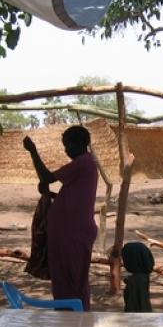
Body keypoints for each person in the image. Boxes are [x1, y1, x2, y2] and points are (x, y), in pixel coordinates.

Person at [23, 126, 98, 310]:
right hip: (68, 233)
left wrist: (33, 152)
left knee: (71, 282)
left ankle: (73, 321)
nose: (66, 150)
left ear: (80, 144)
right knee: (66, 281)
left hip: (72, 234)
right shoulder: (84, 165)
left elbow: (47, 177)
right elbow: (75, 197)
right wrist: (54, 196)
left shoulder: (82, 163)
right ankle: (70, 319)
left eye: (68, 145)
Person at [121, 242, 154, 313]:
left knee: (134, 305)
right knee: (143, 302)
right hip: (143, 278)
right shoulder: (143, 278)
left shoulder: (133, 280)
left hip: (134, 318)